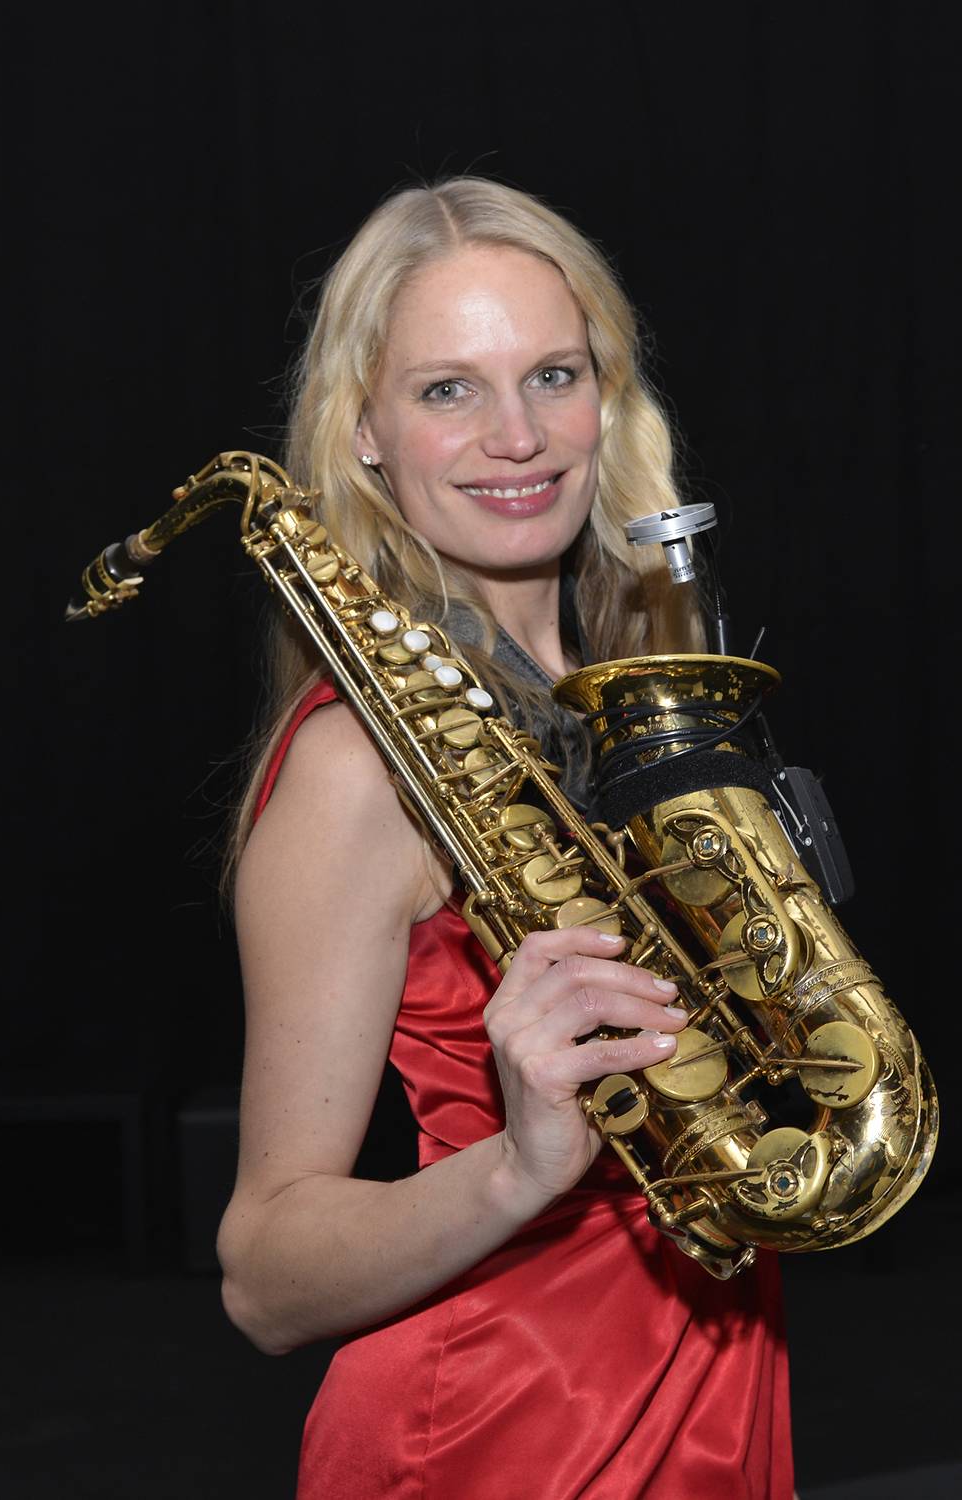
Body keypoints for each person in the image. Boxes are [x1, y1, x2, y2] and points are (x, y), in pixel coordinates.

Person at [216, 177, 794, 1499]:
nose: (519, 436)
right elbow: (263, 1278)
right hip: (494, 1432)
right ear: (364, 432)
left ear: (608, 396)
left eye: (552, 374)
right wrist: (523, 1167)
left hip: (708, 1388)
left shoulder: (629, 692)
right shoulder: (356, 768)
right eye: (448, 390)